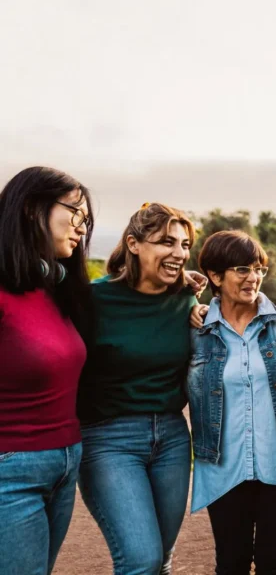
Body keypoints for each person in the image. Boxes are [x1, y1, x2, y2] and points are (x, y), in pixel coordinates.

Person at [77, 203, 201, 575]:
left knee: (161, 559)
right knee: (140, 559)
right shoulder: (93, 300)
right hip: (108, 439)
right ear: (133, 243)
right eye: (166, 242)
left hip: (172, 437)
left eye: (184, 245)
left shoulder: (185, 299)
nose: (178, 253)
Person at [187, 230, 276, 575]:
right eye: (242, 269)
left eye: (259, 269)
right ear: (214, 275)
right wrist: (184, 298)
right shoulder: (195, 330)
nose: (253, 277)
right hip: (224, 466)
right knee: (231, 562)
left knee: (274, 562)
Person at [0, 167, 93, 575]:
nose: (81, 228)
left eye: (87, 220)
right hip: (10, 472)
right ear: (31, 209)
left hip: (65, 463)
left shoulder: (55, 290)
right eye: (75, 212)